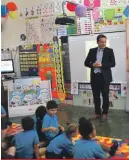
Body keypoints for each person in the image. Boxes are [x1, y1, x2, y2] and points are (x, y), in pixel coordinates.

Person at [84, 34, 116, 120]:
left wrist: (102, 65)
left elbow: (113, 63)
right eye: (102, 42)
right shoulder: (92, 51)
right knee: (96, 96)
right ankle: (97, 113)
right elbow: (86, 63)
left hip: (105, 78)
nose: (104, 43)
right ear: (97, 42)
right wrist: (93, 65)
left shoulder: (109, 51)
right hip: (95, 77)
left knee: (105, 96)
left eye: (105, 42)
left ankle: (105, 113)